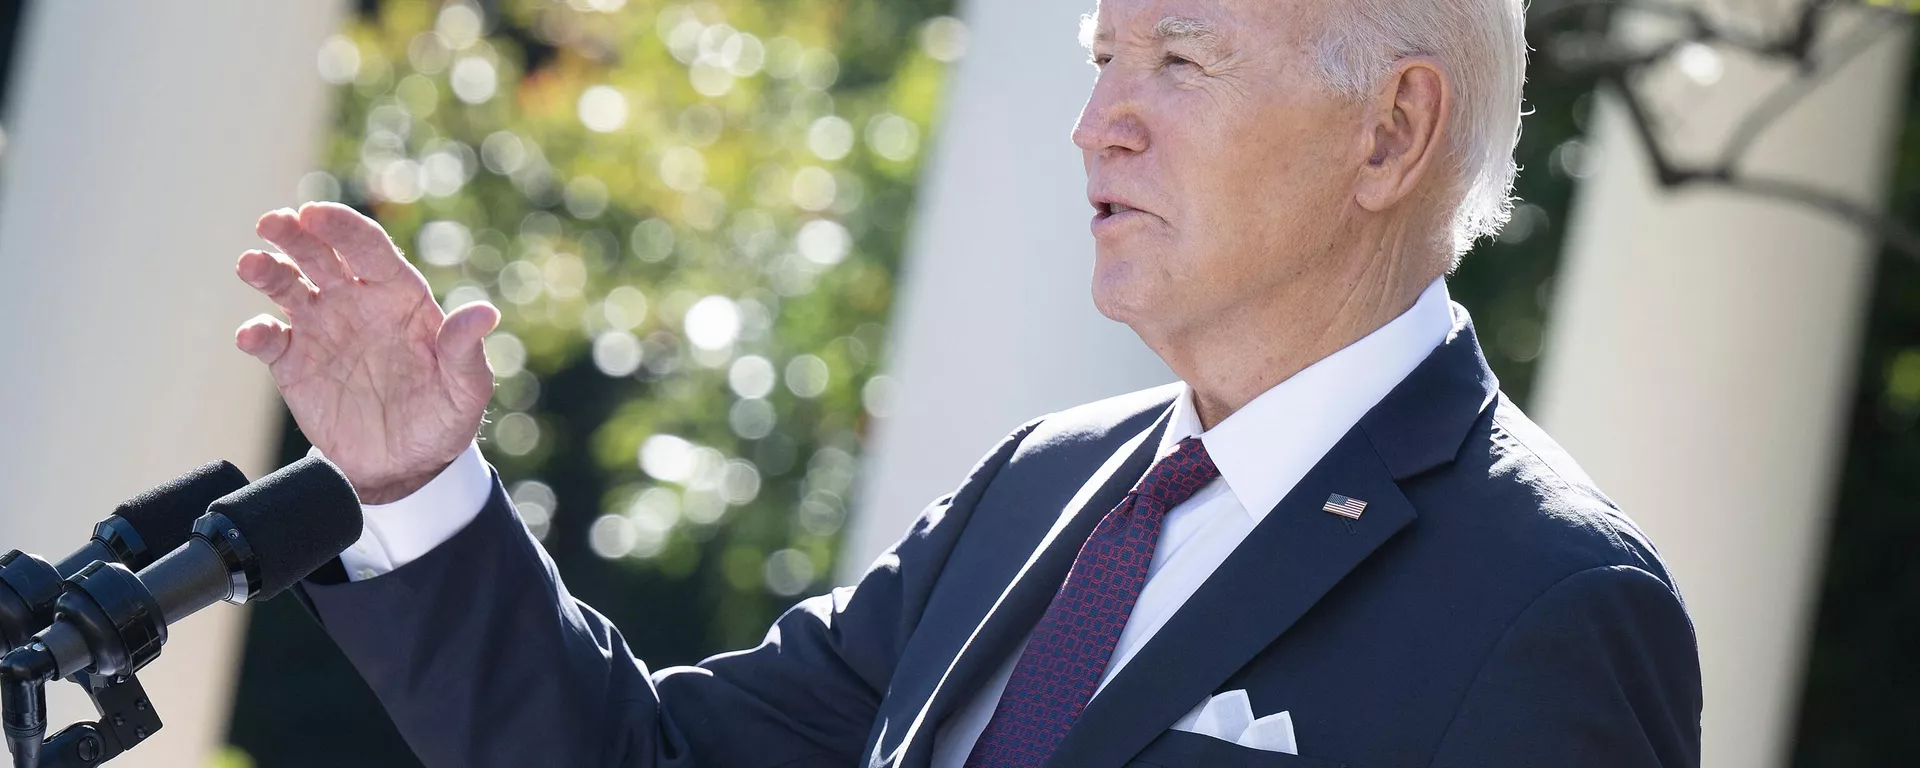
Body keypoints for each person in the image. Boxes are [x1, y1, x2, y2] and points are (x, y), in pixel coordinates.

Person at [230, 0, 1702, 765]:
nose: (1096, 125)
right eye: (1101, 54)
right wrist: (418, 490)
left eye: (1178, 59)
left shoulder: (1553, 609)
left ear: (1392, 131)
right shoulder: (1045, 485)